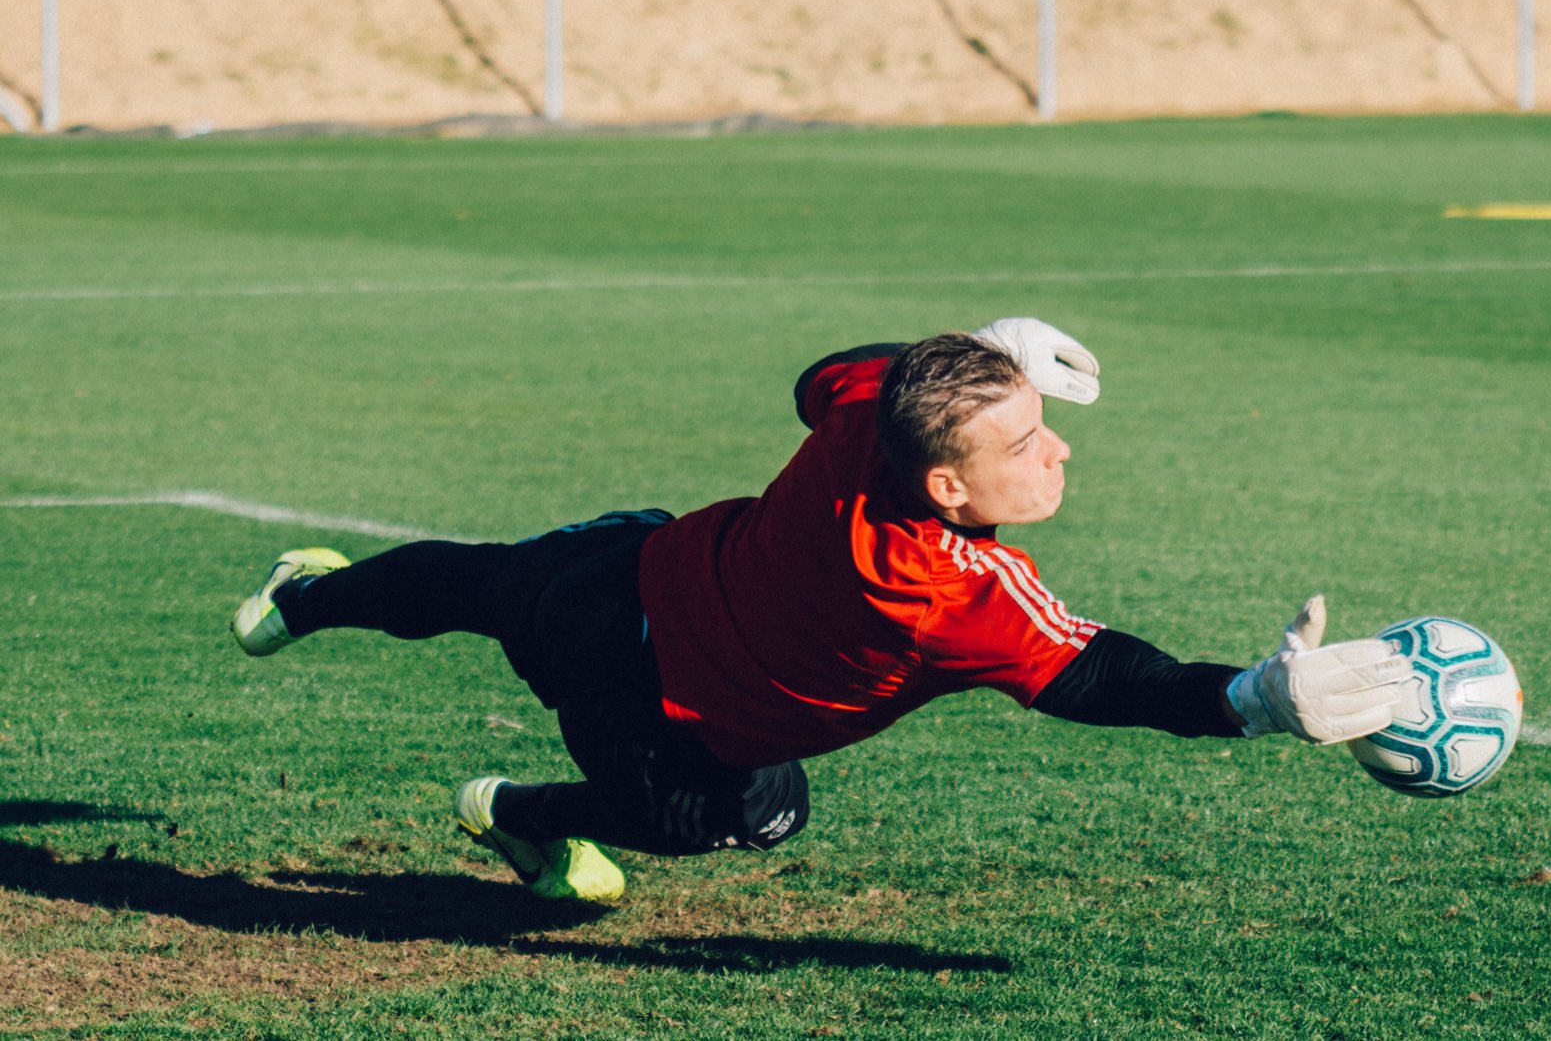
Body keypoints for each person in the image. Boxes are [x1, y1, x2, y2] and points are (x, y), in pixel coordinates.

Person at [230, 319, 1413, 901]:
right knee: (757, 815)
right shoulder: (957, 590)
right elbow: (1097, 676)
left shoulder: (869, 420)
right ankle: (519, 812)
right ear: (947, 487)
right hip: (660, 726)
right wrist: (1249, 701)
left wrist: (970, 355)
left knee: (471, 585)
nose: (1053, 446)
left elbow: (826, 374)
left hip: (625, 579)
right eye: (1020, 436)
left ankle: (305, 596)